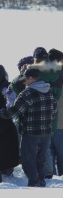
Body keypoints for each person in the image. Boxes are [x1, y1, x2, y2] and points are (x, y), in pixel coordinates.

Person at [0, 68, 57, 187]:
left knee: (28, 162)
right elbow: (54, 111)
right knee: (41, 161)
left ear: (32, 78)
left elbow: (13, 112)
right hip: (46, 133)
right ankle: (41, 183)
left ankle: (35, 185)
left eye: (25, 79)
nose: (23, 81)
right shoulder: (49, 91)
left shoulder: (27, 93)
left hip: (31, 133)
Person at [28, 47, 63, 179]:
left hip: (45, 122)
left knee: (48, 153)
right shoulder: (57, 74)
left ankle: (50, 176)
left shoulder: (37, 75)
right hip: (57, 123)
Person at [48, 48, 63, 176]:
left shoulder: (43, 75)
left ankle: (50, 179)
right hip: (60, 123)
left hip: (46, 122)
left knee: (50, 154)